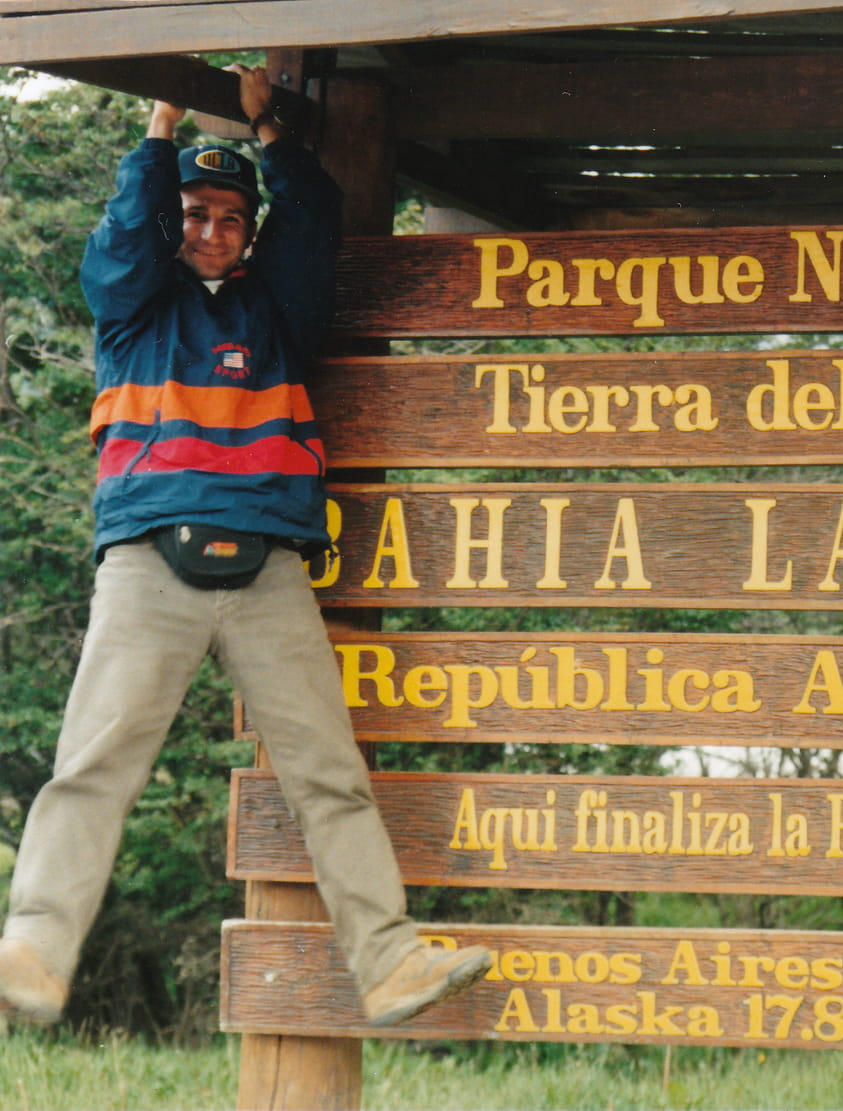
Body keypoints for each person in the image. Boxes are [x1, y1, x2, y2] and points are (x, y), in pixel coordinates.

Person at [0, 65, 489, 1029]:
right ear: (170, 217)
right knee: (93, 764)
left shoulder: (278, 311)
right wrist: (161, 123)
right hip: (149, 562)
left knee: (328, 771)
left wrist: (273, 139)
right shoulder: (132, 306)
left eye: (229, 216)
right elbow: (128, 241)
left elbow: (314, 220)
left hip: (266, 568)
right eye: (193, 212)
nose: (210, 231)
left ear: (248, 229)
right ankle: (32, 952)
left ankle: (388, 959)